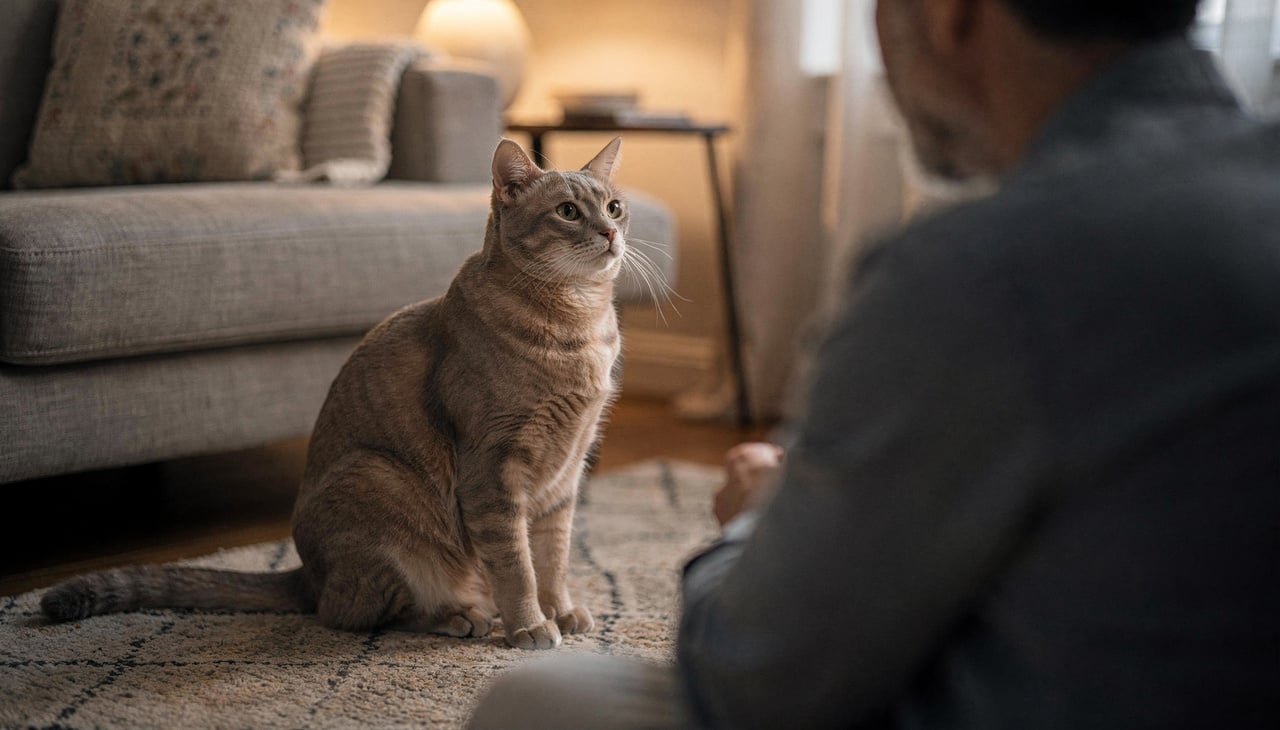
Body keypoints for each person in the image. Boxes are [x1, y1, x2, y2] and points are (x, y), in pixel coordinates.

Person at [468, 0, 1280, 727]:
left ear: (949, 15)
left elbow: (751, 677)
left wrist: (754, 522)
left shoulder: (974, 270)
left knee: (534, 699)